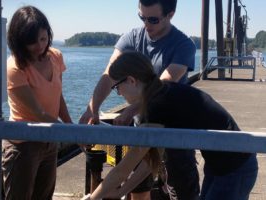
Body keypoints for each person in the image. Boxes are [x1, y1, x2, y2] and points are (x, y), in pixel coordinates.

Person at [82, 51, 258, 200]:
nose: (119, 94)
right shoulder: (162, 92)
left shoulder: (156, 107)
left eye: (116, 87)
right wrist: (121, 192)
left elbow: (123, 170)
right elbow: (151, 163)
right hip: (224, 162)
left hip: (235, 167)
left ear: (131, 81)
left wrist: (94, 197)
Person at [80, 0, 199, 199]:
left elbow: (163, 84)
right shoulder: (132, 38)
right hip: (143, 130)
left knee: (179, 189)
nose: (146, 24)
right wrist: (92, 108)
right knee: (138, 186)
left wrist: (131, 109)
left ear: (171, 14)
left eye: (153, 19)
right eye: (141, 17)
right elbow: (110, 74)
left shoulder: (183, 45)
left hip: (174, 135)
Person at [2, 6, 72, 200]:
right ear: (19, 41)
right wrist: (72, 133)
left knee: (44, 196)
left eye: (43, 38)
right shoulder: (15, 67)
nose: (40, 46)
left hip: (48, 140)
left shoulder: (55, 56)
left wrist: (70, 124)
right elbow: (39, 113)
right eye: (32, 42)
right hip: (23, 144)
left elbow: (58, 96)